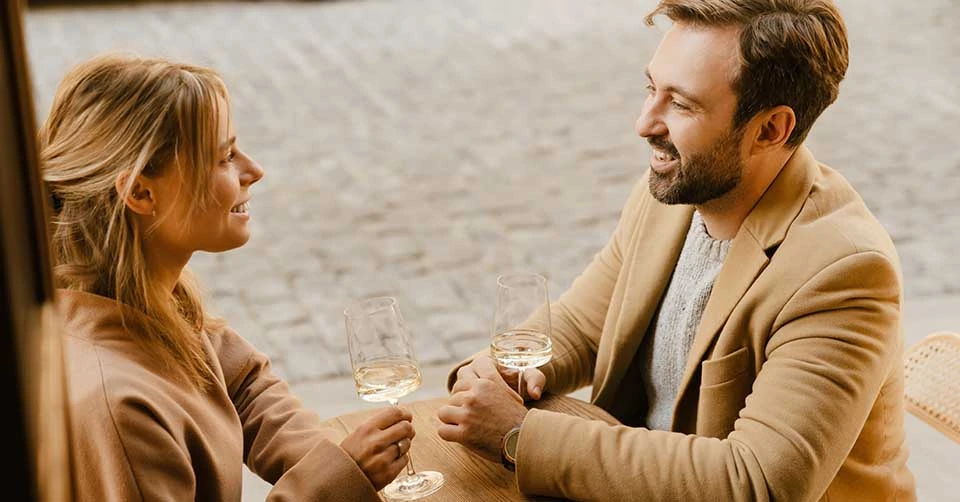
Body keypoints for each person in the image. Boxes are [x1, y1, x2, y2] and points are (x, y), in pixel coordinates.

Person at [437, 1, 916, 500]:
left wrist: (520, 435)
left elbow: (758, 481)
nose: (644, 123)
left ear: (771, 129)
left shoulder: (845, 270)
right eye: (651, 89)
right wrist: (496, 372)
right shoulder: (675, 192)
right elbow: (583, 326)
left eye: (682, 104)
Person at [42, 53, 414, 500]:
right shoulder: (120, 410)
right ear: (141, 191)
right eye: (223, 158)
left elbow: (241, 384)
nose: (253, 171)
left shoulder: (139, 298)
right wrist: (334, 481)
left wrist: (334, 459)